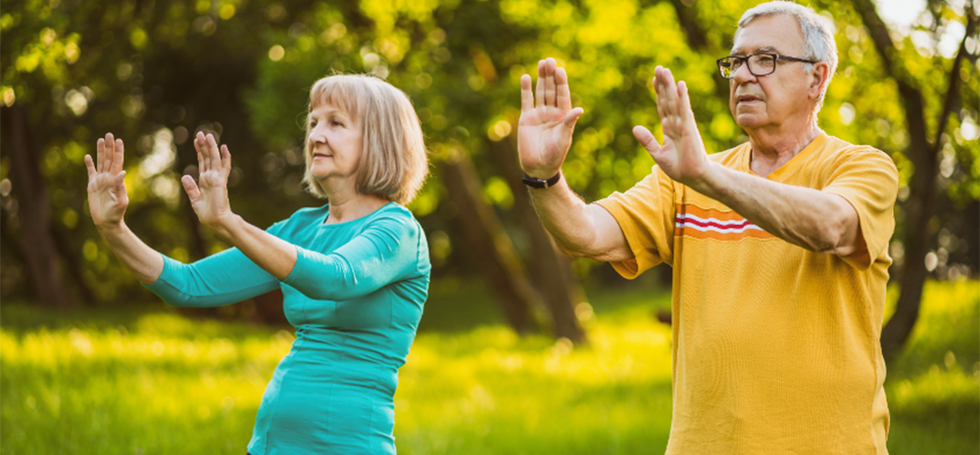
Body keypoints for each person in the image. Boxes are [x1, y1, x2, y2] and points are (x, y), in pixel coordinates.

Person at [517, 1, 897, 453]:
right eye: (736, 61)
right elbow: (585, 234)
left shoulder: (861, 166)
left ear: (817, 78)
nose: (741, 75)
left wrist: (707, 177)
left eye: (765, 59)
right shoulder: (686, 178)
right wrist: (545, 178)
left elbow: (832, 226)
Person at [85, 74, 431, 454]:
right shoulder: (301, 228)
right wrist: (113, 228)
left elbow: (335, 277)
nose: (316, 135)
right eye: (313, 122)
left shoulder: (398, 231)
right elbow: (188, 285)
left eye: (336, 122)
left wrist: (228, 223)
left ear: (380, 140)